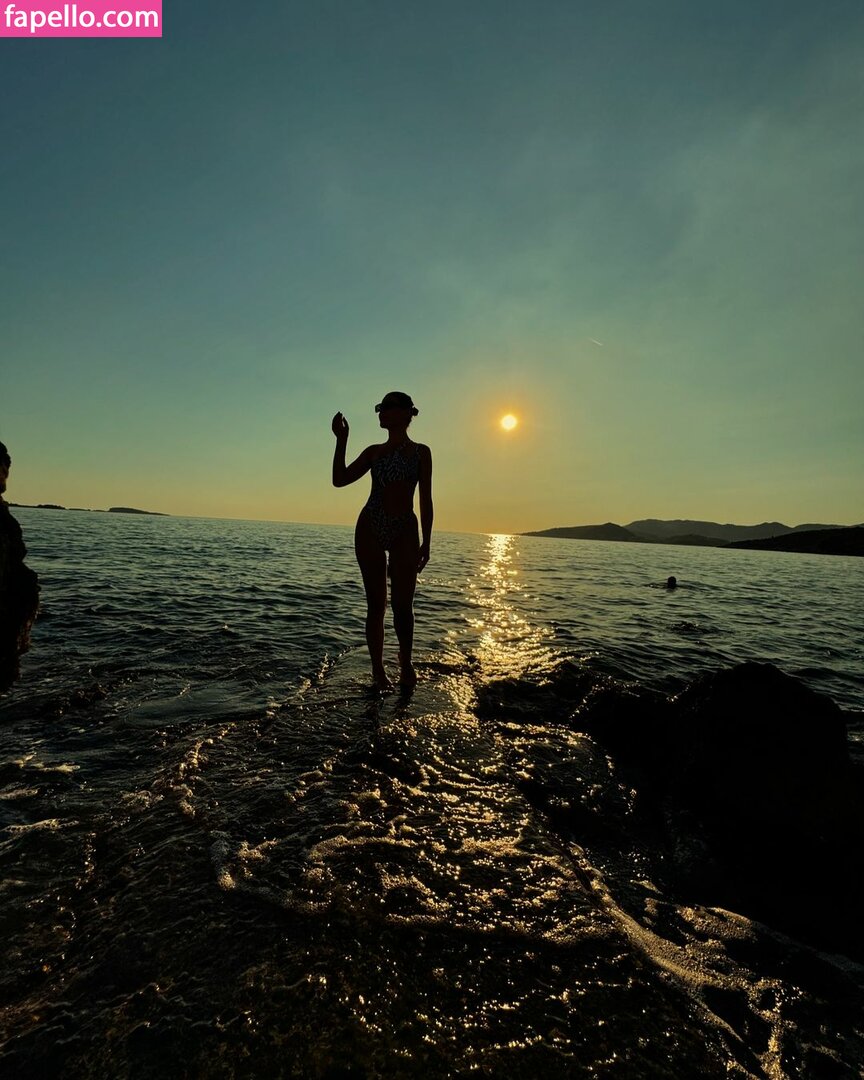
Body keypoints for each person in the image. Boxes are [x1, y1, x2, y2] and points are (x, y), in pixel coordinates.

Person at [331, 392, 433, 690]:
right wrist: (341, 439)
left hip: (405, 529)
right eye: (379, 408)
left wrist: (427, 542)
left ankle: (406, 662)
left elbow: (425, 499)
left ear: (407, 413)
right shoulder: (374, 452)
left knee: (403, 605)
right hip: (371, 526)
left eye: (387, 407)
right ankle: (378, 670)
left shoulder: (421, 452)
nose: (381, 412)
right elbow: (339, 479)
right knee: (377, 605)